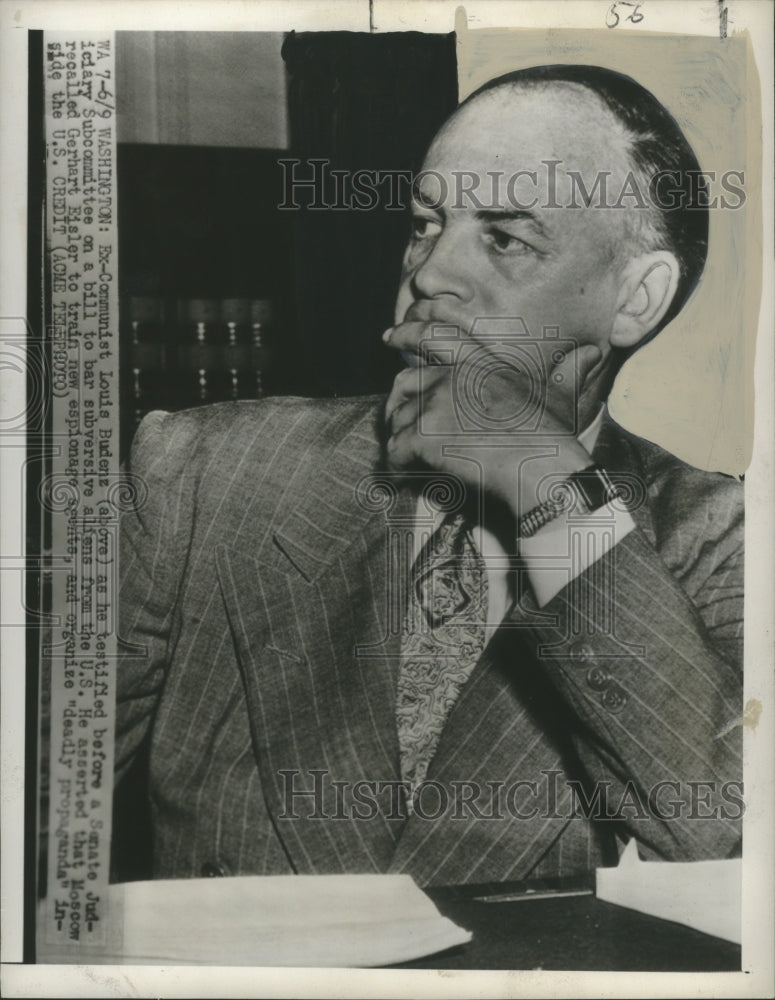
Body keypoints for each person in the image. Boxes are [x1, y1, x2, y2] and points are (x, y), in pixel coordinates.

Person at [117, 65, 743, 886]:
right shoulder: (202, 477)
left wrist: (542, 477)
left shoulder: (717, 539)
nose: (428, 274)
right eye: (423, 224)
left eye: (505, 237)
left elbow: (732, 847)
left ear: (635, 299)